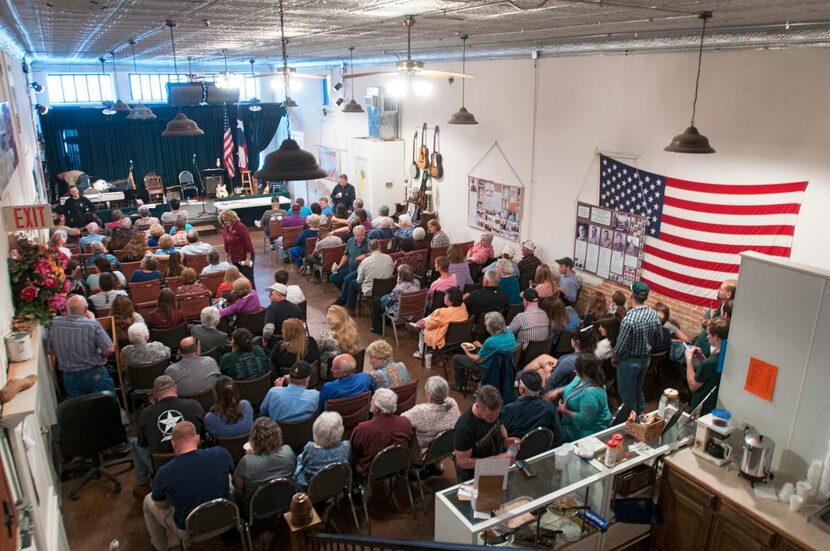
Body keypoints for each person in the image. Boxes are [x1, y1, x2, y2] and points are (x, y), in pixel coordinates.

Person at [143, 422, 233, 551]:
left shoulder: (164, 472)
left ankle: (160, 547)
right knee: (227, 477)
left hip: (190, 530)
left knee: (148, 500)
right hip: (227, 518)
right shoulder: (221, 453)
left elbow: (160, 505)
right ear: (197, 439)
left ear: (173, 444)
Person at [131, 377, 205, 499]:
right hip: (194, 459)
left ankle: (142, 484)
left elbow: (142, 443)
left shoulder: (145, 413)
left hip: (161, 465)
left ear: (154, 395)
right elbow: (203, 433)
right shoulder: (193, 405)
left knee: (135, 443)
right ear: (176, 389)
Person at [47, 295, 115, 397]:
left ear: (67, 309)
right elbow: (110, 349)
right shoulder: (92, 325)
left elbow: (49, 349)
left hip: (69, 377)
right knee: (107, 405)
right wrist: (101, 356)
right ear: (86, 309)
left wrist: (65, 356)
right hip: (93, 373)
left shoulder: (54, 323)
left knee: (81, 409)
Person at [613, 281, 663, 415]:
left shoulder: (628, 320)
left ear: (631, 295)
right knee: (637, 390)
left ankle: (630, 423)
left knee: (627, 395)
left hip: (629, 362)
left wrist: (615, 358)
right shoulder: (654, 315)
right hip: (645, 360)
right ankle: (641, 417)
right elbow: (659, 340)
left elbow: (620, 347)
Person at [453, 385, 518, 482]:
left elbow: (500, 425)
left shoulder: (494, 411)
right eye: (490, 416)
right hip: (474, 476)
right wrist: (496, 460)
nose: (494, 418)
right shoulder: (464, 428)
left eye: (497, 413)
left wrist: (505, 439)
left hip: (493, 467)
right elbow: (463, 462)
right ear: (478, 406)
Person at [548, 354, 612, 441]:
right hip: (571, 424)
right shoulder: (580, 378)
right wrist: (558, 391)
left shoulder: (589, 394)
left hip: (585, 432)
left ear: (583, 371)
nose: (574, 370)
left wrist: (565, 411)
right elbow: (569, 387)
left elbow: (585, 419)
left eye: (576, 368)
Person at [350, 388, 414, 476]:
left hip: (369, 472)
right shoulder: (406, 423)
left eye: (372, 400)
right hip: (396, 466)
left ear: (378, 408)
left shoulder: (363, 428)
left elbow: (353, 451)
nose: (370, 403)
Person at [233, 417, 296, 505]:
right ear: (278, 435)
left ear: (253, 439)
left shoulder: (246, 461)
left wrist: (251, 458)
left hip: (255, 507)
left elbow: (238, 487)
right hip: (284, 500)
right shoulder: (288, 452)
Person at [451, 311, 517, 392]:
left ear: (490, 327)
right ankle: (475, 375)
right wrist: (482, 346)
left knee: (456, 358)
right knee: (476, 349)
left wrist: (466, 352)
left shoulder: (490, 341)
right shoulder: (510, 333)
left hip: (489, 368)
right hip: (505, 365)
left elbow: (477, 360)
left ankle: (460, 386)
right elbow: (498, 349)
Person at [402, 376, 460, 464]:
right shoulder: (453, 406)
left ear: (430, 396)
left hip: (422, 455)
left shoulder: (420, 412)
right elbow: (448, 401)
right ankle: (437, 464)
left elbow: (401, 420)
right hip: (445, 449)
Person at [501, 371, 562, 443]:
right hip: (542, 448)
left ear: (521, 389)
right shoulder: (549, 408)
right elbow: (557, 434)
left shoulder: (508, 410)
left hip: (515, 451)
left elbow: (501, 437)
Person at [294, 412, 351, 489]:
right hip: (336, 484)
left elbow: (303, 463)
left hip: (312, 487)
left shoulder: (310, 448)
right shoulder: (346, 446)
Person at [531, 328, 597, 394]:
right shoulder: (594, 357)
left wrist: (547, 371)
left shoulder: (568, 362)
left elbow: (549, 385)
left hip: (559, 393)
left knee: (540, 371)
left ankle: (522, 380)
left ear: (576, 341)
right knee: (543, 357)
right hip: (576, 387)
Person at [411, 287, 468, 362]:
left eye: (446, 296)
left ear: (450, 301)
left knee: (423, 328)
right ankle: (419, 323)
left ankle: (421, 352)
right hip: (459, 335)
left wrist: (425, 322)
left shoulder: (443, 312)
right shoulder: (463, 306)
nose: (444, 297)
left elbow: (429, 325)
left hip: (443, 337)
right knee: (432, 316)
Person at [685, 318, 729, 415]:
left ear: (716, 337)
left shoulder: (709, 363)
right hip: (713, 403)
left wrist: (689, 360)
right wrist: (702, 358)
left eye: (708, 334)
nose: (707, 337)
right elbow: (712, 372)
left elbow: (693, 385)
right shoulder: (724, 356)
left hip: (702, 407)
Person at [339, 238, 395, 313]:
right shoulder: (389, 258)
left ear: (369, 249)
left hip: (371, 291)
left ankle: (351, 308)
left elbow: (359, 280)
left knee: (353, 283)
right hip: (387, 289)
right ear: (379, 246)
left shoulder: (365, 262)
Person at [370, 264, 420, 334]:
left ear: (401, 276)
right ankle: (387, 322)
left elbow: (386, 303)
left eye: (398, 274)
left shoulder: (398, 289)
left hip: (399, 313)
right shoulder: (417, 282)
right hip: (412, 312)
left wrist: (397, 284)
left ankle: (377, 328)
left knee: (375, 301)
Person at [318, 305, 361, 372]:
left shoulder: (327, 336)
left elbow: (317, 351)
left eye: (327, 314)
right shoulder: (353, 331)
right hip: (349, 367)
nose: (326, 315)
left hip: (331, 371)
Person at [220, 209, 255, 287]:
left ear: (232, 218)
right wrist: (228, 256)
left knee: (248, 280)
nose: (225, 221)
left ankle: (252, 296)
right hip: (234, 258)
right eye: (223, 220)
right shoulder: (225, 228)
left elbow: (247, 243)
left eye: (226, 219)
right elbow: (226, 244)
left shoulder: (240, 227)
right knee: (238, 281)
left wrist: (248, 258)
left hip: (244, 257)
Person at [328, 225, 368, 289]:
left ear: (365, 234)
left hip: (359, 270)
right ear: (354, 235)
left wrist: (366, 255)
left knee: (347, 279)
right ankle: (345, 292)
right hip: (349, 267)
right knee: (333, 277)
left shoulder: (369, 243)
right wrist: (339, 266)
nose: (360, 237)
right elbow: (346, 255)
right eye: (357, 235)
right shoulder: (350, 241)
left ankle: (344, 296)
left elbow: (374, 255)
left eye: (362, 235)